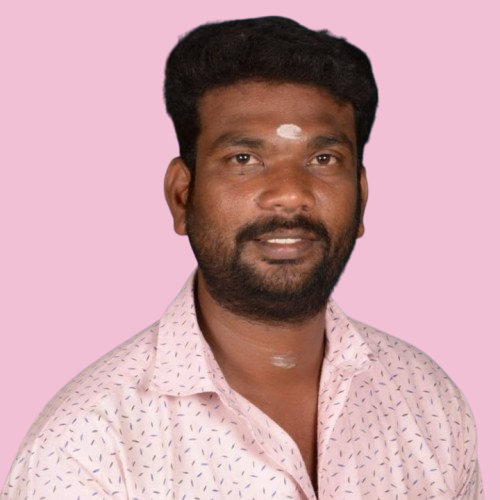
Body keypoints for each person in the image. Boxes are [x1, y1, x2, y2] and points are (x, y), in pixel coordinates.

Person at [1, 16, 482, 499]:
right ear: (182, 197)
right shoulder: (85, 449)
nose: (290, 194)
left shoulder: (428, 400)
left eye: (323, 159)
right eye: (244, 160)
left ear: (361, 197)